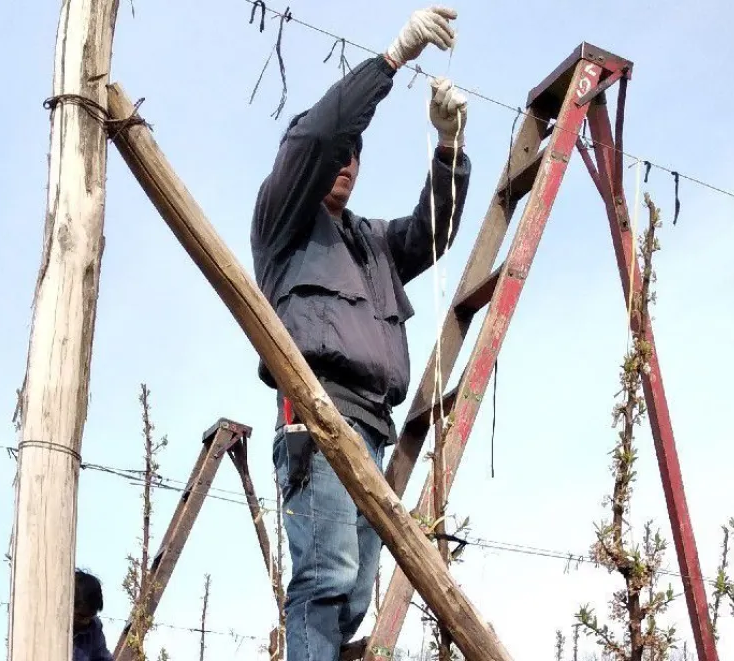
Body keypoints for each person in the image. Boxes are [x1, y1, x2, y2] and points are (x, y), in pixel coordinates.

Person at [250, 6, 472, 660]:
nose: (345, 162)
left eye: (355, 156)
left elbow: (432, 231)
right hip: (316, 418)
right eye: (337, 154)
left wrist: (450, 149)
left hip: (372, 430)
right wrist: (394, 58)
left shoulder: (371, 242)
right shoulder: (286, 219)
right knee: (325, 575)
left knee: (352, 591)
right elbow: (317, 136)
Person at [72, 569, 113, 661]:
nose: (86, 622)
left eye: (90, 616)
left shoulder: (94, 626)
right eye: (81, 616)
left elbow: (102, 658)